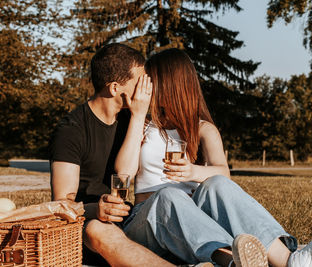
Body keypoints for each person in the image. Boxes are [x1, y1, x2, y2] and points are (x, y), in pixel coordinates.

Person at [115, 48, 312, 267]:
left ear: (168, 85)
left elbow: (224, 173)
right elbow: (122, 174)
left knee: (217, 183)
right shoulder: (142, 124)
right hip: (146, 221)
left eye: (150, 81)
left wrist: (193, 172)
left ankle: (288, 260)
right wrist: (138, 114)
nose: (145, 88)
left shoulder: (202, 129)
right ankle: (232, 261)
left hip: (190, 225)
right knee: (168, 195)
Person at [50, 43, 193, 266]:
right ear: (115, 88)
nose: (148, 88)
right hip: (88, 223)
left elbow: (127, 172)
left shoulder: (133, 120)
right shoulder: (71, 130)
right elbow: (60, 203)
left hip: (128, 220)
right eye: (140, 81)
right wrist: (96, 209)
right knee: (100, 230)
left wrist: (138, 117)